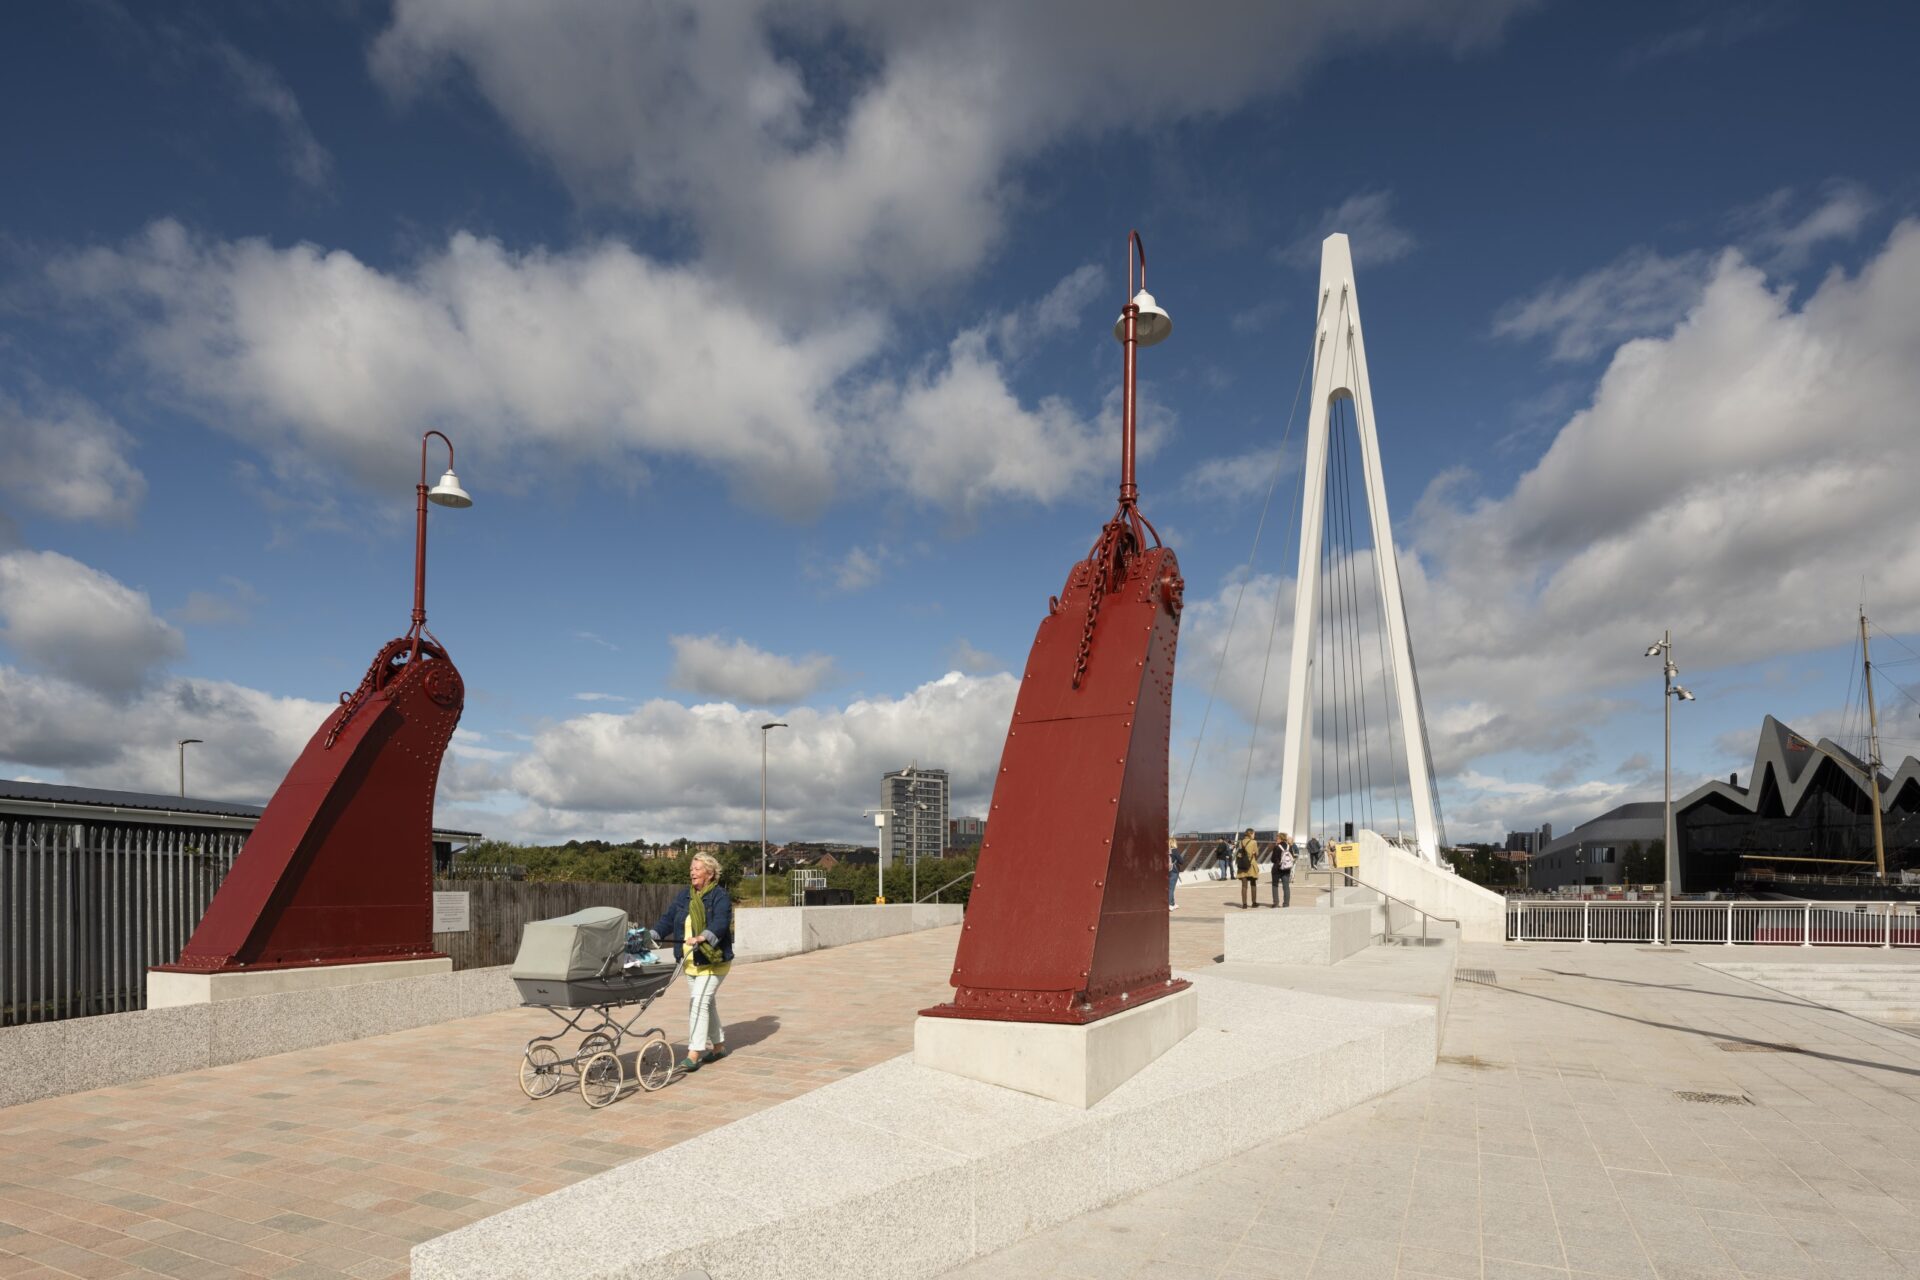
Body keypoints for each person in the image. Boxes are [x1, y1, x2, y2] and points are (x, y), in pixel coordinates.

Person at [651, 850, 735, 1073]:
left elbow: (721, 921)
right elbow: (669, 918)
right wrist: (654, 933)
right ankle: (718, 1047)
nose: (692, 873)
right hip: (690, 960)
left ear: (709, 873)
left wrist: (703, 936)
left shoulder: (720, 896)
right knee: (707, 1004)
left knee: (698, 1003)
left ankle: (693, 1053)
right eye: (691, 869)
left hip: (712, 960)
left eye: (696, 869)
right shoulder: (684, 896)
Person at [1235, 828, 1260, 909]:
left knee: (1244, 886)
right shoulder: (1254, 842)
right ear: (1250, 834)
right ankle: (1254, 902)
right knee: (1253, 884)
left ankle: (1244, 904)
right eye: (1254, 834)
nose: (1254, 835)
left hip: (1242, 865)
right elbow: (1256, 854)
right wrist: (1253, 853)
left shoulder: (1241, 842)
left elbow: (1239, 853)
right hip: (1251, 865)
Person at [1271, 833, 1295, 908]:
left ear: (1280, 838)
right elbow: (1292, 857)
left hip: (1277, 869)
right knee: (1286, 886)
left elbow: (1272, 859)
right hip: (1286, 869)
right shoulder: (1289, 846)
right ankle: (1286, 903)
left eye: (1277, 838)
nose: (1276, 839)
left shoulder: (1277, 847)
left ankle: (1276, 903)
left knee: (1275, 885)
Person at [1167, 838, 1181, 910]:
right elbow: (1181, 861)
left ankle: (1172, 903)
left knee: (1169, 887)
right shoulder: (1174, 851)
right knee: (1171, 888)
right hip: (1173, 870)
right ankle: (1169, 904)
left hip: (1166, 870)